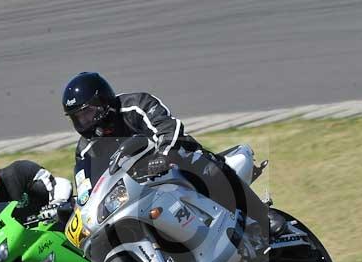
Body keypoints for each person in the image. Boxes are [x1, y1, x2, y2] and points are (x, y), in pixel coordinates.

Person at [61, 72, 286, 238]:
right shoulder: (85, 148)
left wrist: (163, 155)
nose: (85, 122)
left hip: (174, 163)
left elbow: (168, 128)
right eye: (78, 118)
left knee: (199, 163)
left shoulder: (135, 105)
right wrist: (79, 209)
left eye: (88, 113)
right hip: (136, 191)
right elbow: (86, 186)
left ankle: (262, 217)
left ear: (103, 103)